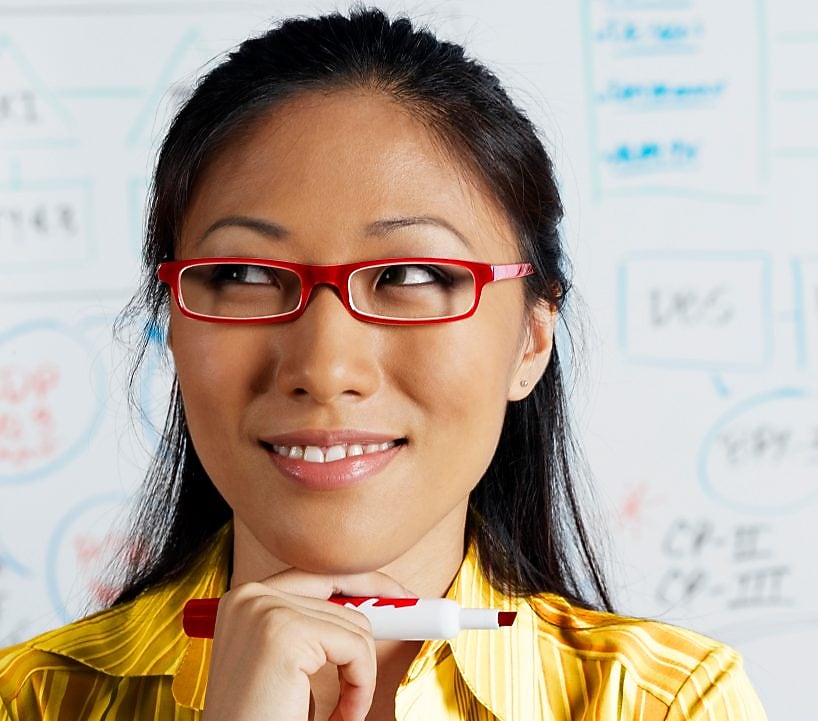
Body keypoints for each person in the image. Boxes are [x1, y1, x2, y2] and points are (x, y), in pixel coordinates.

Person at [0, 8, 768, 720]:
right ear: (172, 316)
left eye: (408, 277)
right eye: (244, 276)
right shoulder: (30, 698)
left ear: (532, 338)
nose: (325, 366)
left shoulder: (665, 702)